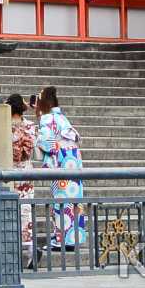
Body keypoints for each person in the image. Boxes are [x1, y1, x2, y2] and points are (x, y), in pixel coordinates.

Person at [35, 85, 85, 250]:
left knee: (61, 200)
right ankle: (72, 238)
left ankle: (61, 240)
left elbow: (47, 144)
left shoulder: (47, 118)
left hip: (61, 162)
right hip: (73, 161)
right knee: (73, 201)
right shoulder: (62, 117)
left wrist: (38, 138)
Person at [7, 94, 37, 267]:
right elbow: (30, 148)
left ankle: (13, 253)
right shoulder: (30, 126)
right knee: (25, 212)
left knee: (8, 212)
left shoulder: (4, 126)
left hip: (9, 171)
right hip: (26, 172)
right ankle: (29, 254)